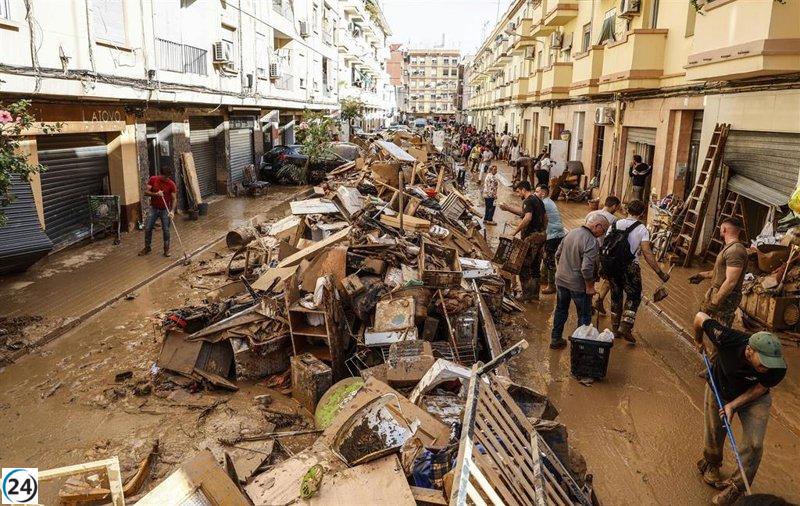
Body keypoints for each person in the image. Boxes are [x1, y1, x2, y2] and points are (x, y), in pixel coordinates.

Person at [693, 312, 787, 505]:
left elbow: (761, 388)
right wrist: (698, 340)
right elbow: (700, 317)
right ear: (749, 351)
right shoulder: (727, 338)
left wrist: (733, 405)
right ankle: (711, 463)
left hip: (754, 397)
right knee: (715, 430)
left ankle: (737, 487)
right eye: (763, 364)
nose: (768, 368)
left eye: (771, 365)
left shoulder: (777, 367)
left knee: (755, 444)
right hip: (720, 386)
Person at [602, 199, 670, 343]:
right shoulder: (641, 229)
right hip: (630, 267)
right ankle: (626, 326)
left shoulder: (614, 224)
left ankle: (615, 329)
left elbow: (605, 244)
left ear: (627, 211)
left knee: (616, 295)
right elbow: (647, 252)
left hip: (612, 266)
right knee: (633, 296)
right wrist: (659, 272)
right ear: (642, 213)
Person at [550, 213, 609, 349]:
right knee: (584, 315)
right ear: (597, 226)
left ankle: (555, 339)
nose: (602, 234)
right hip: (578, 285)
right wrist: (589, 286)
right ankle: (580, 346)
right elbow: (586, 268)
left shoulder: (571, 233)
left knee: (561, 310)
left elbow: (557, 254)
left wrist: (564, 270)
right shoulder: (591, 241)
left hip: (561, 280)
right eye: (603, 230)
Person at [689, 217, 748, 327]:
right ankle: (699, 342)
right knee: (701, 319)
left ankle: (711, 343)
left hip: (726, 296)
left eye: (721, 228)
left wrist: (715, 302)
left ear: (724, 229)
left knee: (719, 329)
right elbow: (721, 272)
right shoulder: (729, 248)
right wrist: (703, 275)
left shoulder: (735, 251)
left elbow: (731, 281)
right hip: (716, 290)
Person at [500, 181, 548, 301]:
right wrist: (542, 231)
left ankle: (526, 295)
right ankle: (535, 295)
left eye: (518, 191)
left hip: (531, 238)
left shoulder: (528, 200)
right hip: (541, 237)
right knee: (536, 267)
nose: (518, 194)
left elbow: (527, 217)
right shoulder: (538, 200)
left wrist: (514, 232)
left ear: (523, 189)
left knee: (524, 266)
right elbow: (545, 217)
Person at [588, 196, 622, 315]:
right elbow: (614, 241)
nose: (617, 209)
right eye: (617, 207)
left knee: (589, 277)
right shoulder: (614, 220)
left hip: (587, 249)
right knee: (609, 278)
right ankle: (599, 300)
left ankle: (589, 303)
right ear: (614, 206)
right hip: (602, 253)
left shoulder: (592, 213)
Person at [535, 184, 566, 295]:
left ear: (543, 193)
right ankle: (543, 278)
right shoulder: (549, 201)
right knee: (546, 255)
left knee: (549, 259)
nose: (535, 193)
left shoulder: (544, 203)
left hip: (553, 234)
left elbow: (532, 216)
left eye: (537, 191)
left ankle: (551, 285)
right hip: (557, 233)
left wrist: (509, 208)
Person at [139, 168, 177, 257]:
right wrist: (156, 194)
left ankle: (166, 249)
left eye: (168, 177)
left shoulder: (171, 184)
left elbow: (174, 199)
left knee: (166, 230)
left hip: (165, 209)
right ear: (160, 174)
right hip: (154, 208)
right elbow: (146, 192)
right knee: (148, 228)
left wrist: (172, 211)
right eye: (165, 177)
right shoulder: (153, 179)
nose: (166, 179)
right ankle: (147, 247)